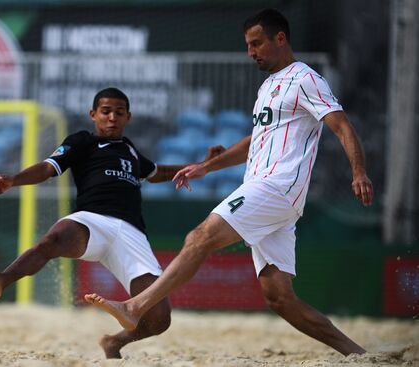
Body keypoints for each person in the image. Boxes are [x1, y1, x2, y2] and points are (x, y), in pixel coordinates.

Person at [85, 9, 374, 356]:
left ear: (280, 38)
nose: (251, 52)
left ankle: (135, 307)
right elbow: (255, 141)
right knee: (279, 297)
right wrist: (208, 166)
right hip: (273, 196)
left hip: (275, 187)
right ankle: (359, 354)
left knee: (199, 237)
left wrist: (358, 171)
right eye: (247, 46)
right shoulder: (268, 85)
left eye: (256, 44)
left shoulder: (305, 79)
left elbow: (342, 126)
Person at [0, 87, 217, 359]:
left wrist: (203, 165)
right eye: (106, 111)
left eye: (119, 112)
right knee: (54, 239)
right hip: (91, 221)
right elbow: (47, 167)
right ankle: (2, 280)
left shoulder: (131, 150)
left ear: (128, 117)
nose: (112, 117)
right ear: (93, 115)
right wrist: (14, 179)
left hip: (131, 233)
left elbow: (159, 173)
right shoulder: (82, 141)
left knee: (160, 318)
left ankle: (114, 343)